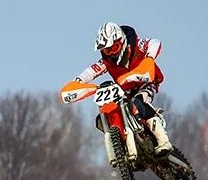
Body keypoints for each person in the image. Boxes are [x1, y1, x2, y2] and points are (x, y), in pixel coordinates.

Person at [74, 21, 174, 155]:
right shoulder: (106, 62)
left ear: (121, 42)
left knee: (139, 102)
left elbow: (155, 42)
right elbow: (92, 71)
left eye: (113, 48)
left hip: (145, 82)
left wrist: (149, 58)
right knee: (113, 108)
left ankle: (163, 141)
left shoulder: (137, 46)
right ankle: (124, 142)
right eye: (106, 50)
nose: (110, 54)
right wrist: (78, 82)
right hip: (125, 90)